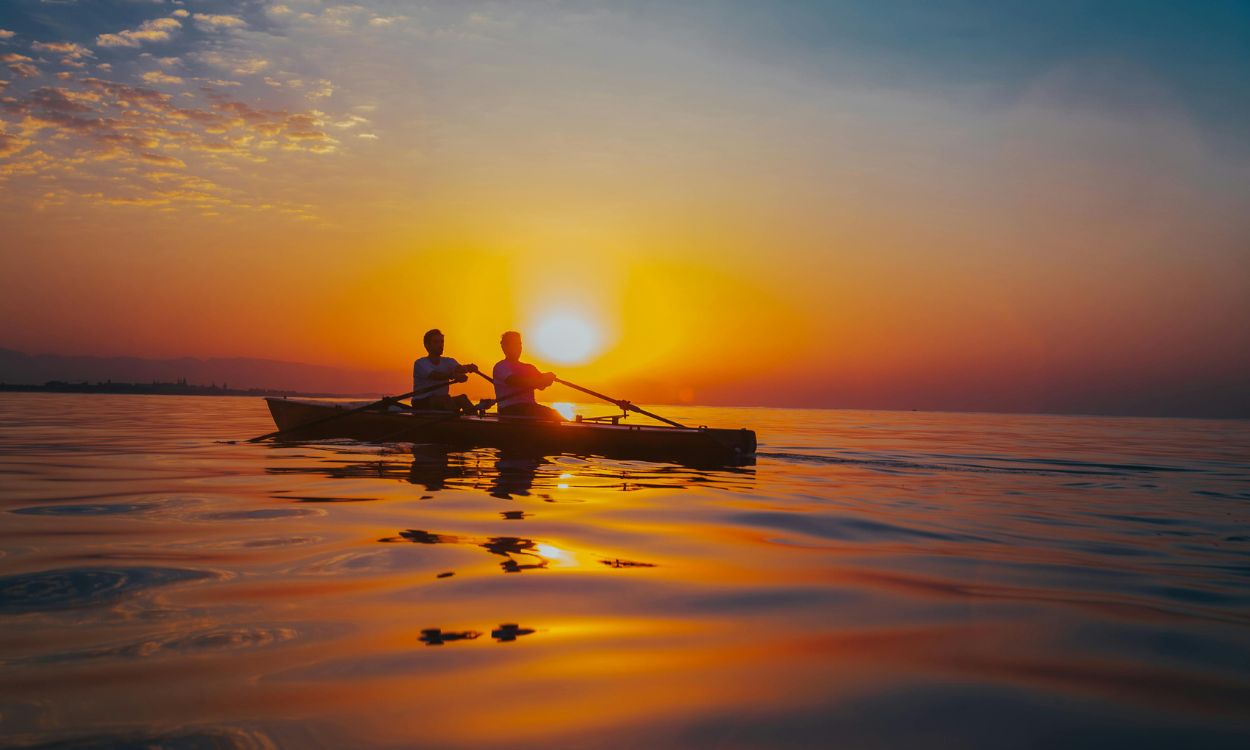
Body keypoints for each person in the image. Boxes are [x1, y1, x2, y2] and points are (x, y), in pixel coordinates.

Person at [492, 330, 563, 420]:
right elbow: (517, 381)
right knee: (553, 415)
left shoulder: (529, 367)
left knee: (554, 414)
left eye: (519, 344)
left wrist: (547, 377)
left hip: (529, 408)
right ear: (504, 347)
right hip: (510, 409)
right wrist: (541, 380)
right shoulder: (500, 367)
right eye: (514, 344)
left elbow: (541, 386)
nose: (518, 347)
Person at [412, 329, 478, 412]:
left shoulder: (449, 361)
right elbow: (435, 375)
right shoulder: (420, 363)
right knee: (445, 399)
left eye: (442, 342)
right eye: (436, 342)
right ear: (427, 345)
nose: (440, 345)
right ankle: (455, 421)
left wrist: (469, 367)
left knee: (463, 398)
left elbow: (459, 369)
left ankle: (474, 421)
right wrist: (453, 376)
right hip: (421, 401)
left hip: (443, 400)